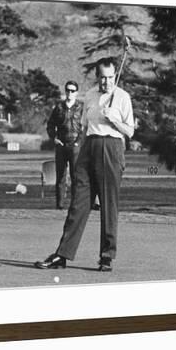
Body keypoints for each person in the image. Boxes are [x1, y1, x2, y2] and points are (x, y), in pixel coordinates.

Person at [35, 58, 134, 272]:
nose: (107, 82)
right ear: (97, 77)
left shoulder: (123, 98)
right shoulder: (89, 95)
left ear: (114, 76)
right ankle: (62, 254)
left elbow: (130, 131)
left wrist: (113, 120)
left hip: (111, 147)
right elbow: (84, 126)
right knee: (78, 203)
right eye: (103, 77)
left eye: (110, 77)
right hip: (89, 146)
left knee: (108, 205)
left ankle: (106, 257)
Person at [47, 80, 84, 209]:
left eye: (72, 91)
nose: (70, 93)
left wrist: (78, 142)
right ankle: (60, 205)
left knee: (75, 176)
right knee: (61, 176)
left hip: (75, 146)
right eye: (68, 90)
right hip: (61, 145)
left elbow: (85, 127)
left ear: (76, 93)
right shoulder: (59, 107)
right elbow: (50, 125)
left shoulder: (81, 108)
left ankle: (75, 204)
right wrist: (54, 138)